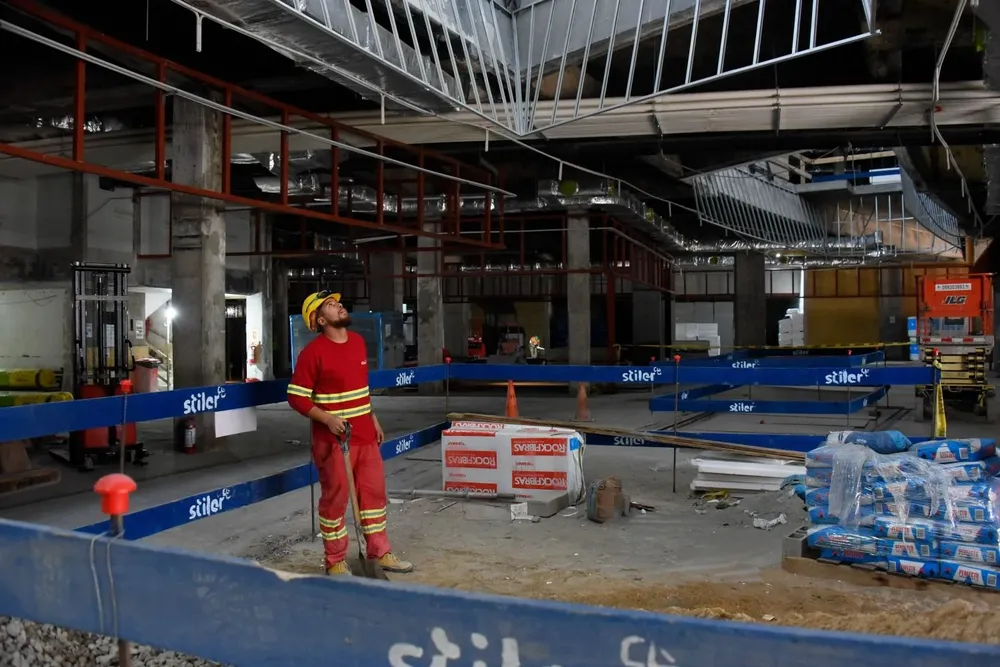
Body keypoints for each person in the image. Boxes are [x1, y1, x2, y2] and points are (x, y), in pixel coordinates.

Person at [286, 291, 413, 576]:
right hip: (333, 441)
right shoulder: (313, 354)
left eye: (338, 302)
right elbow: (297, 397)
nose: (339, 306)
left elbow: (361, 389)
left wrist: (373, 417)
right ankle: (335, 561)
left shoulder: (357, 343)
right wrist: (327, 418)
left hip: (365, 435)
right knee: (336, 499)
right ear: (320, 320)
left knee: (372, 495)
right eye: (331, 306)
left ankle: (379, 551)